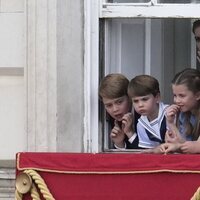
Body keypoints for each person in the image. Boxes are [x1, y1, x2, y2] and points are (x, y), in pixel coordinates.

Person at [159, 68, 200, 154]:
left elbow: (195, 147)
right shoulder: (183, 114)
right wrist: (170, 123)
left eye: (182, 96)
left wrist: (177, 146)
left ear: (197, 95)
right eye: (175, 95)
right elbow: (184, 144)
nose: (176, 100)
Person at [99, 73, 139, 149]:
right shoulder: (109, 121)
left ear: (130, 98)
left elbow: (149, 152)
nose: (115, 109)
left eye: (119, 102)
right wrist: (119, 143)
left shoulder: (145, 114)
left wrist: (130, 133)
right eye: (109, 105)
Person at [127, 75, 168, 149]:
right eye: (135, 101)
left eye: (145, 99)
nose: (140, 105)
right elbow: (147, 150)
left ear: (157, 97)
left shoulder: (170, 113)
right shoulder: (141, 124)